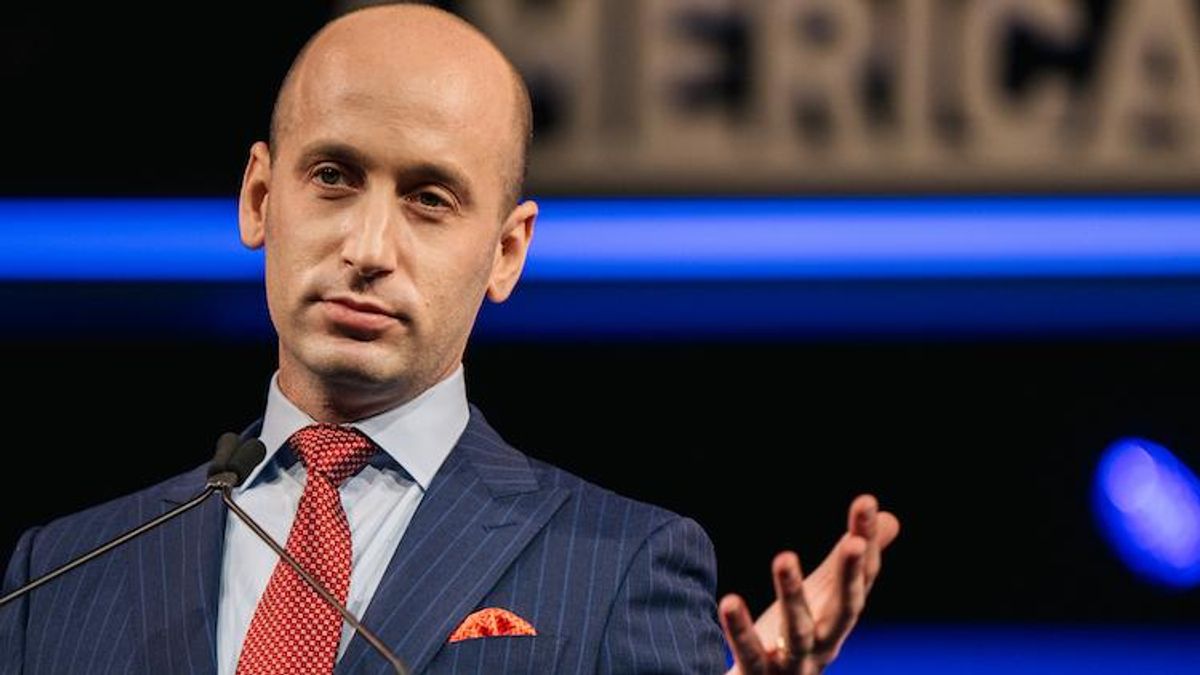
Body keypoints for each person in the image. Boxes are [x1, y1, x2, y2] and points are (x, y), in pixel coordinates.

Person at [0, 4, 899, 674]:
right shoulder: (60, 576)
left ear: (507, 252)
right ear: (260, 198)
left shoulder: (621, 566)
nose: (368, 248)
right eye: (333, 176)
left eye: (430, 199)